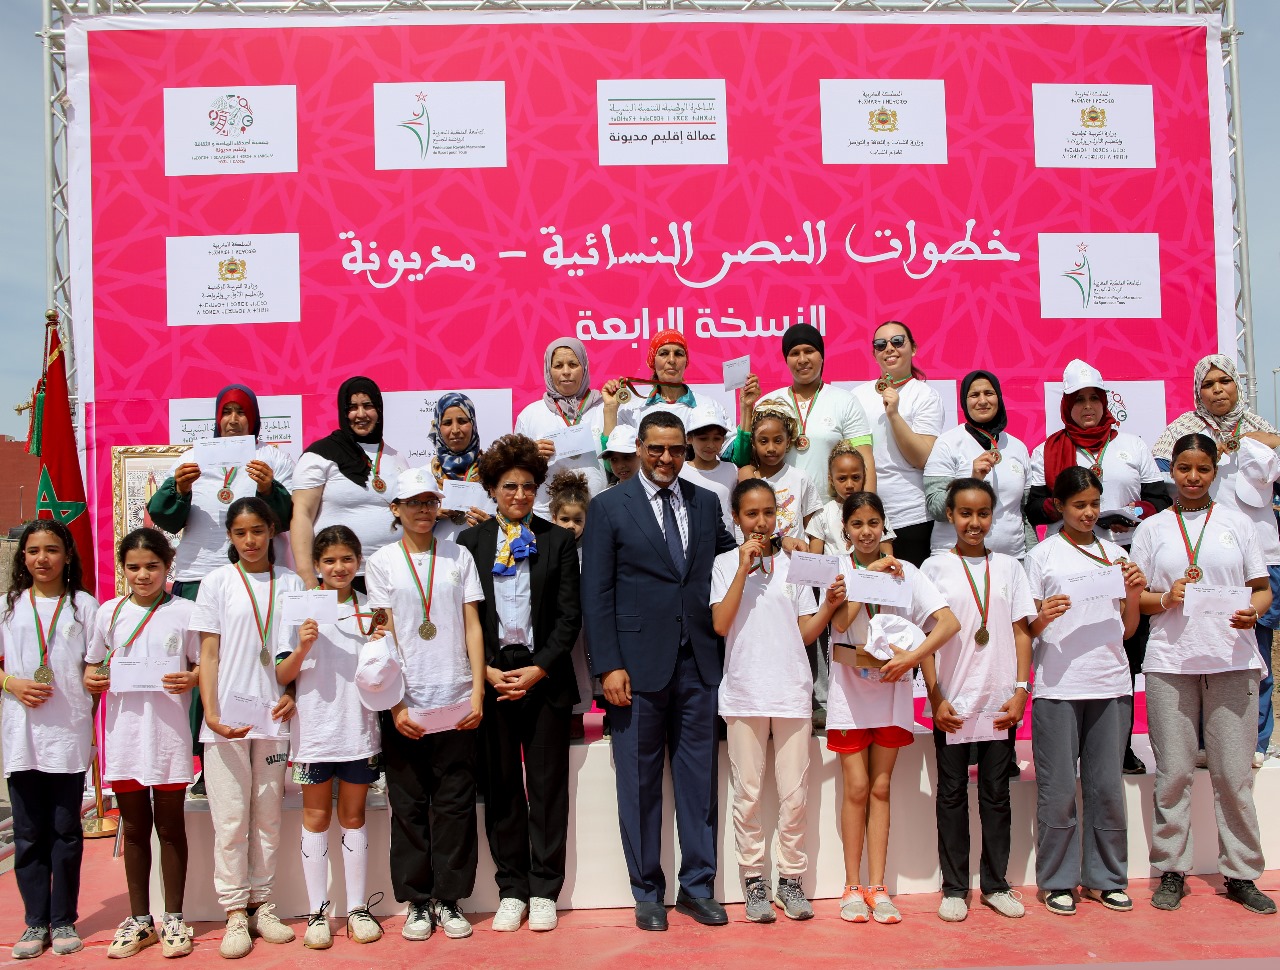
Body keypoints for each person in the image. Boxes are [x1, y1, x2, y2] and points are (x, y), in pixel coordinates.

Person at [581, 409, 738, 932]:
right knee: (639, 783)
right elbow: (596, 593)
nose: (667, 458)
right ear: (640, 449)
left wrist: (775, 548)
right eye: (657, 449)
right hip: (635, 668)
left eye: (675, 449)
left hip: (699, 663)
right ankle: (647, 891)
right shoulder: (608, 507)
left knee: (699, 783)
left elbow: (730, 563)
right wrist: (608, 666)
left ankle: (697, 887)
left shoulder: (706, 501)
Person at [1130, 433, 1275, 915]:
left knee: (1233, 775)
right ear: (1171, 469)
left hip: (1232, 660)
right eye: (1184, 468)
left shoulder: (1238, 522)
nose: (1193, 477)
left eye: (1203, 469)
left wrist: (1254, 612)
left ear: (1215, 471)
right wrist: (1165, 597)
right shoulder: (1152, 528)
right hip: (1171, 663)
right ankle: (1172, 869)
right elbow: (1136, 600)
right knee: (1173, 773)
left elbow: (1261, 589)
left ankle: (1242, 873)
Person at [458, 435, 582, 933]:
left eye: (529, 486)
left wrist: (540, 668)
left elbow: (569, 617)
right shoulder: (469, 544)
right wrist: (485, 670)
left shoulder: (557, 540)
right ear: (492, 488)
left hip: (544, 677)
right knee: (503, 786)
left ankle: (544, 888)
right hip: (491, 676)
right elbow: (463, 617)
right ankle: (511, 887)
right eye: (510, 486)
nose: (520, 494)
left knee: (548, 787)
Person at [711, 479, 846, 924]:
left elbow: (805, 633)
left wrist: (828, 607)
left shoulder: (795, 565)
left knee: (795, 794)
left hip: (791, 691)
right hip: (745, 693)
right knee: (747, 794)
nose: (761, 521)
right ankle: (754, 881)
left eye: (768, 512)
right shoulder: (724, 563)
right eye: (751, 513)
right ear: (736, 517)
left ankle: (791, 880)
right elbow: (720, 624)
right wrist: (742, 570)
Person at [1026, 360, 1170, 774]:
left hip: (1121, 556)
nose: (1087, 407)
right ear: (1067, 405)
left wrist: (1131, 514)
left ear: (1105, 402)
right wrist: (1072, 508)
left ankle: (1118, 746)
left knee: (1124, 649)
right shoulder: (1048, 449)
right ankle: (1069, 745)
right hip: (1070, 559)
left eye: (1094, 399)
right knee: (1072, 643)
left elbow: (1160, 498)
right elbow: (1034, 505)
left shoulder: (1132, 446)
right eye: (1079, 400)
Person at [364, 468, 485, 943]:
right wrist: (394, 705)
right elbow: (382, 633)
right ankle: (417, 900)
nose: (423, 510)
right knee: (409, 804)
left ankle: (450, 899)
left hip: (455, 697)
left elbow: (472, 624)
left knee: (454, 804)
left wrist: (477, 692)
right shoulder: (381, 562)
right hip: (406, 701)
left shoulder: (459, 555)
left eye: (430, 501)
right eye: (413, 502)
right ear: (395, 508)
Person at [827, 493, 959, 925]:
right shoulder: (839, 569)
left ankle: (878, 888)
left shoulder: (909, 572)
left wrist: (912, 657)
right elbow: (840, 622)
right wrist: (870, 575)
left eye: (873, 523)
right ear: (845, 529)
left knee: (881, 787)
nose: (866, 532)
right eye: (857, 524)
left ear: (885, 525)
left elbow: (948, 623)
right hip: (849, 692)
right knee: (856, 788)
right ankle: (851, 887)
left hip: (893, 689)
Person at [1024, 468, 1147, 916]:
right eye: (1079, 505)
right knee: (1058, 791)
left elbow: (1127, 629)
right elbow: (1027, 629)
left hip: (1110, 683)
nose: (1089, 512)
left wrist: (1133, 593)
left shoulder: (1116, 555)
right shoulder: (1041, 556)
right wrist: (1044, 617)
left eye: (1095, 503)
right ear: (1059, 506)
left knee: (1106, 789)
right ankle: (1058, 881)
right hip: (1058, 685)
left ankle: (1106, 879)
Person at [1153, 355, 1280, 769]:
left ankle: (1257, 740)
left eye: (1225, 381)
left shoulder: (1258, 426)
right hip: (1205, 555)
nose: (1218, 389)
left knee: (1257, 647)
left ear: (1237, 386)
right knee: (1203, 647)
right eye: (1208, 384)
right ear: (1198, 391)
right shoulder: (1183, 429)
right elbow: (1163, 473)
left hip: (1261, 554)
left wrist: (1257, 441)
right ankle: (1207, 742)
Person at [920, 479, 1034, 923]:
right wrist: (935, 695)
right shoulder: (934, 567)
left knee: (996, 796)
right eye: (965, 513)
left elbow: (1022, 632)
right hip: (954, 704)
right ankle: (954, 888)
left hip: (999, 703)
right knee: (951, 796)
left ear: (994, 516)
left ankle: (996, 884)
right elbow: (927, 637)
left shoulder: (1009, 567)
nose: (974, 522)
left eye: (983, 513)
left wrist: (1021, 690)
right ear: (949, 515)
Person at [191, 497, 301, 959]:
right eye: (240, 533)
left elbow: (297, 652)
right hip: (227, 720)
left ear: (272, 531)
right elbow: (208, 654)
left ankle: (263, 904)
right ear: (230, 537)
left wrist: (292, 693)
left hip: (273, 716)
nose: (250, 540)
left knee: (268, 815)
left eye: (257, 530)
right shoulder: (216, 582)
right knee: (232, 818)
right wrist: (211, 713)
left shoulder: (292, 582)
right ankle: (235, 910)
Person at [84, 529, 199, 959]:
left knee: (170, 827)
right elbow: (92, 666)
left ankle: (174, 918)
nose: (143, 574)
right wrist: (93, 678)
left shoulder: (185, 612)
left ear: (168, 566)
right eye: (133, 567)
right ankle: (140, 920)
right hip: (126, 736)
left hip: (168, 735)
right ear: (123, 569)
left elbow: (206, 663)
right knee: (133, 829)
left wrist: (192, 677)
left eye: (152, 566)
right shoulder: (109, 613)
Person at [275, 526, 384, 949]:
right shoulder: (299, 608)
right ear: (317, 565)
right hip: (314, 732)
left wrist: (382, 644)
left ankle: (356, 908)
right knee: (316, 817)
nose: (339, 567)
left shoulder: (371, 609)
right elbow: (282, 673)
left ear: (359, 561)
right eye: (330, 560)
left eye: (347, 559)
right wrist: (302, 647)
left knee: (354, 817)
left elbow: (386, 670)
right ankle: (317, 911)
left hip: (359, 729)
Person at [0, 520, 99, 959]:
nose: (42, 558)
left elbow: (95, 662)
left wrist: (95, 677)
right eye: (33, 550)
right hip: (22, 736)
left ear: (67, 555)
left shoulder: (84, 606)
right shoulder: (8, 606)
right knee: (27, 833)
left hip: (67, 734)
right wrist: (12, 683)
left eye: (52, 549)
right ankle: (34, 923)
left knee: (65, 831)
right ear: (22, 557)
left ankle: (63, 921)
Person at [148, 383, 295, 599]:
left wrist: (268, 490)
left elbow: (289, 518)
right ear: (218, 417)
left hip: (258, 574)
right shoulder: (191, 458)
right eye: (226, 412)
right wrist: (181, 490)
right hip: (198, 574)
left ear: (253, 418)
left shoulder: (273, 458)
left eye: (241, 412)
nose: (233, 420)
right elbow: (164, 518)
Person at [292, 377, 408, 589]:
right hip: (339, 579)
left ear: (379, 410)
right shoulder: (318, 455)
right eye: (352, 407)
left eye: (368, 406)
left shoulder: (397, 458)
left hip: (395, 575)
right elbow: (301, 514)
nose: (361, 414)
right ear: (343, 412)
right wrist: (306, 574)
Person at [852, 322, 943, 566]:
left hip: (911, 515)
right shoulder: (857, 396)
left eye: (898, 342)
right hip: (865, 518)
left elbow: (922, 458)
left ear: (913, 348)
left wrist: (894, 414)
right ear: (874, 353)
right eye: (880, 344)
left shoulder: (925, 395)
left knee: (910, 585)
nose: (889, 348)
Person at [924, 370, 1035, 559]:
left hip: (1012, 559)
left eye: (989, 393)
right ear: (964, 401)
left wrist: (1031, 557)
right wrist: (972, 481)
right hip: (956, 561)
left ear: (999, 397)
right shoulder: (948, 443)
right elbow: (935, 508)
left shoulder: (1018, 447)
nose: (982, 401)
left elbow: (1024, 512)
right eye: (974, 395)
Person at [761, 322, 876, 496]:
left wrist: (866, 507)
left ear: (822, 356)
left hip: (831, 508)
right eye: (794, 353)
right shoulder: (769, 403)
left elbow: (865, 461)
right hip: (780, 507)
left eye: (809, 351)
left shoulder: (845, 401)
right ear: (786, 360)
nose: (802, 360)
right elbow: (751, 461)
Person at [515, 337, 609, 518]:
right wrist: (530, 456)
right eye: (558, 366)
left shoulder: (604, 408)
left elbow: (620, 463)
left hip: (597, 515)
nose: (566, 372)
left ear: (584, 367)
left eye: (573, 364)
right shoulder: (530, 415)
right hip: (546, 517)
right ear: (548, 370)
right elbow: (515, 473)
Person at [607, 330, 732, 435]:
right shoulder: (633, 410)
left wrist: (743, 409)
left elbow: (733, 453)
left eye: (678, 354)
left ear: (686, 361)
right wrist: (610, 408)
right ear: (653, 361)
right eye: (664, 353)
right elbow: (613, 454)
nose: (672, 360)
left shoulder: (709, 406)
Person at [737, 399, 822, 552]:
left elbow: (815, 530)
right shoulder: (747, 477)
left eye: (778, 440)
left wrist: (813, 561)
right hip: (757, 560)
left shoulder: (800, 479)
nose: (771, 448)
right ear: (753, 443)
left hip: (794, 562)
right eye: (763, 441)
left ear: (788, 441)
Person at [546, 470, 595, 738]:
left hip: (586, 621)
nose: (571, 526)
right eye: (565, 519)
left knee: (583, 668)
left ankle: (580, 715)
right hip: (557, 623)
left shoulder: (593, 549)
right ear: (553, 517)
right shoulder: (543, 546)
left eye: (578, 520)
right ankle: (563, 715)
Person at [807, 444, 896, 555]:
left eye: (855, 477)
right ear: (831, 479)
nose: (849, 485)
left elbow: (887, 556)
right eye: (842, 478)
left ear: (864, 476)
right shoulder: (822, 514)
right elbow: (814, 558)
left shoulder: (875, 511)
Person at [431, 392, 494, 542]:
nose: (455, 430)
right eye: (447, 423)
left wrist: (491, 525)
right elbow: (406, 526)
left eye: (462, 421)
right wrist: (430, 515)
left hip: (481, 554)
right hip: (437, 555)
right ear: (438, 427)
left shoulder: (493, 472)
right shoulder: (425, 475)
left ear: (473, 424)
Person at [679, 402, 738, 533]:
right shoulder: (680, 472)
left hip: (727, 543)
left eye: (716, 439)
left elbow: (735, 510)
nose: (710, 445)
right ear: (689, 439)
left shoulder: (732, 470)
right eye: (703, 438)